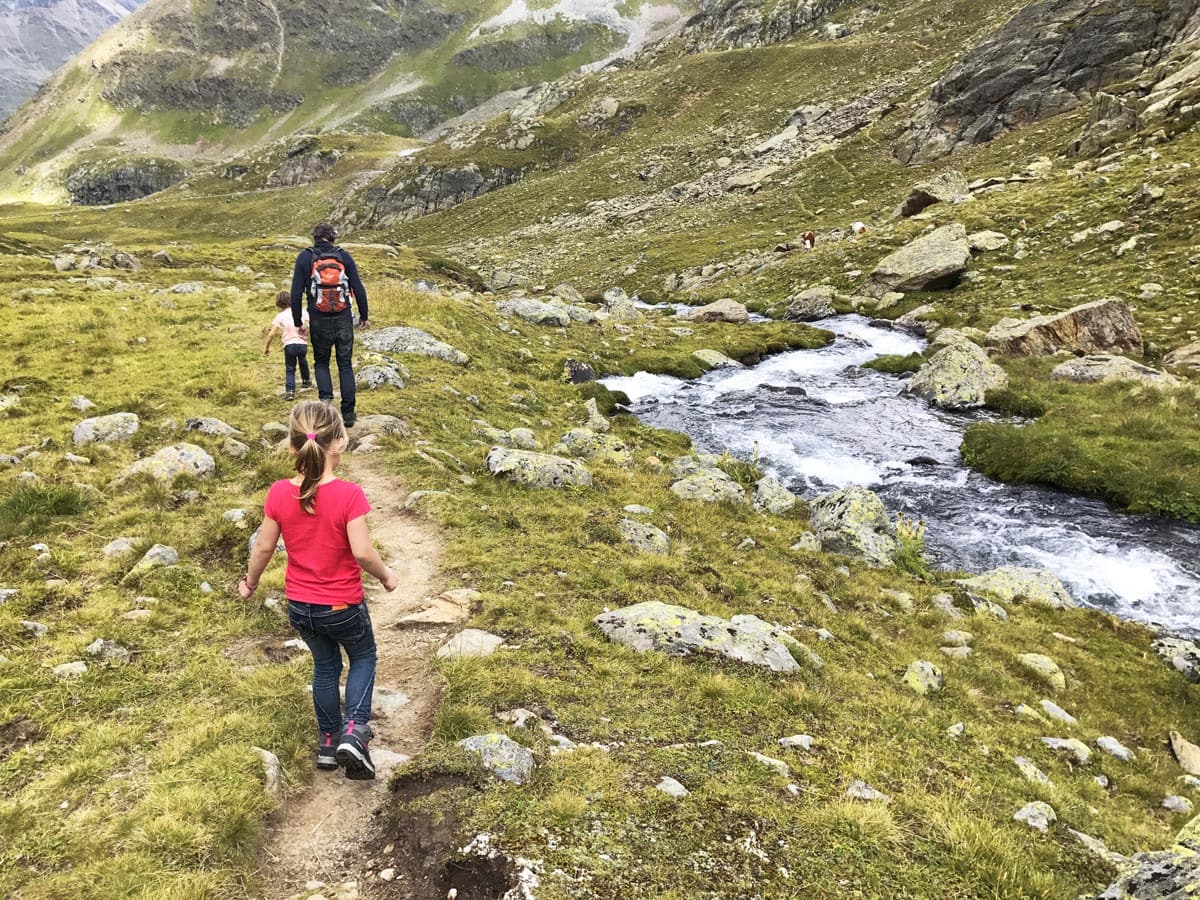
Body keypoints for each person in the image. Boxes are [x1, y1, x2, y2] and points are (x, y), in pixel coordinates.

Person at [238, 401, 398, 779]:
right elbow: (362, 552)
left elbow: (263, 547)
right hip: (342, 603)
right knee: (363, 657)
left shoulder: (278, 493)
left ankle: (328, 743)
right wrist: (387, 577)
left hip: (300, 605)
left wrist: (250, 583)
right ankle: (355, 731)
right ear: (339, 443)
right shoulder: (348, 495)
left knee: (325, 666)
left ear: (292, 448)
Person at [290, 223, 369, 427]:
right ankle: (349, 414)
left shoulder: (305, 257)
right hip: (343, 318)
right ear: (333, 238)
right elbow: (358, 288)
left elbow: (296, 293)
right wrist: (364, 316)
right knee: (345, 364)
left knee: (322, 362)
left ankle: (326, 408)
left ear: (314, 237)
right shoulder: (343, 256)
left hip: (318, 319)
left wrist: (298, 322)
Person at [264, 290, 311, 401]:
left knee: (290, 368)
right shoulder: (302, 312)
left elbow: (271, 334)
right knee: (303, 360)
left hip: (289, 344)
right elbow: (309, 325)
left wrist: (266, 347)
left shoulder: (280, 316)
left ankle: (290, 392)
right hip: (302, 343)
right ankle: (306, 380)